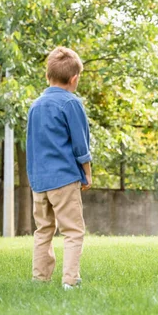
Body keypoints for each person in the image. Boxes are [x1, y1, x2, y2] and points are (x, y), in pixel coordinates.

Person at [26, 46, 92, 290]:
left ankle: (40, 279)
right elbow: (80, 144)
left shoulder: (35, 106)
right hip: (63, 179)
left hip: (39, 181)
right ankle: (70, 281)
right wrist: (87, 172)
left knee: (43, 230)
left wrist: (33, 178)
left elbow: (31, 144)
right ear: (74, 79)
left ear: (47, 76)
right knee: (73, 231)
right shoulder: (70, 103)